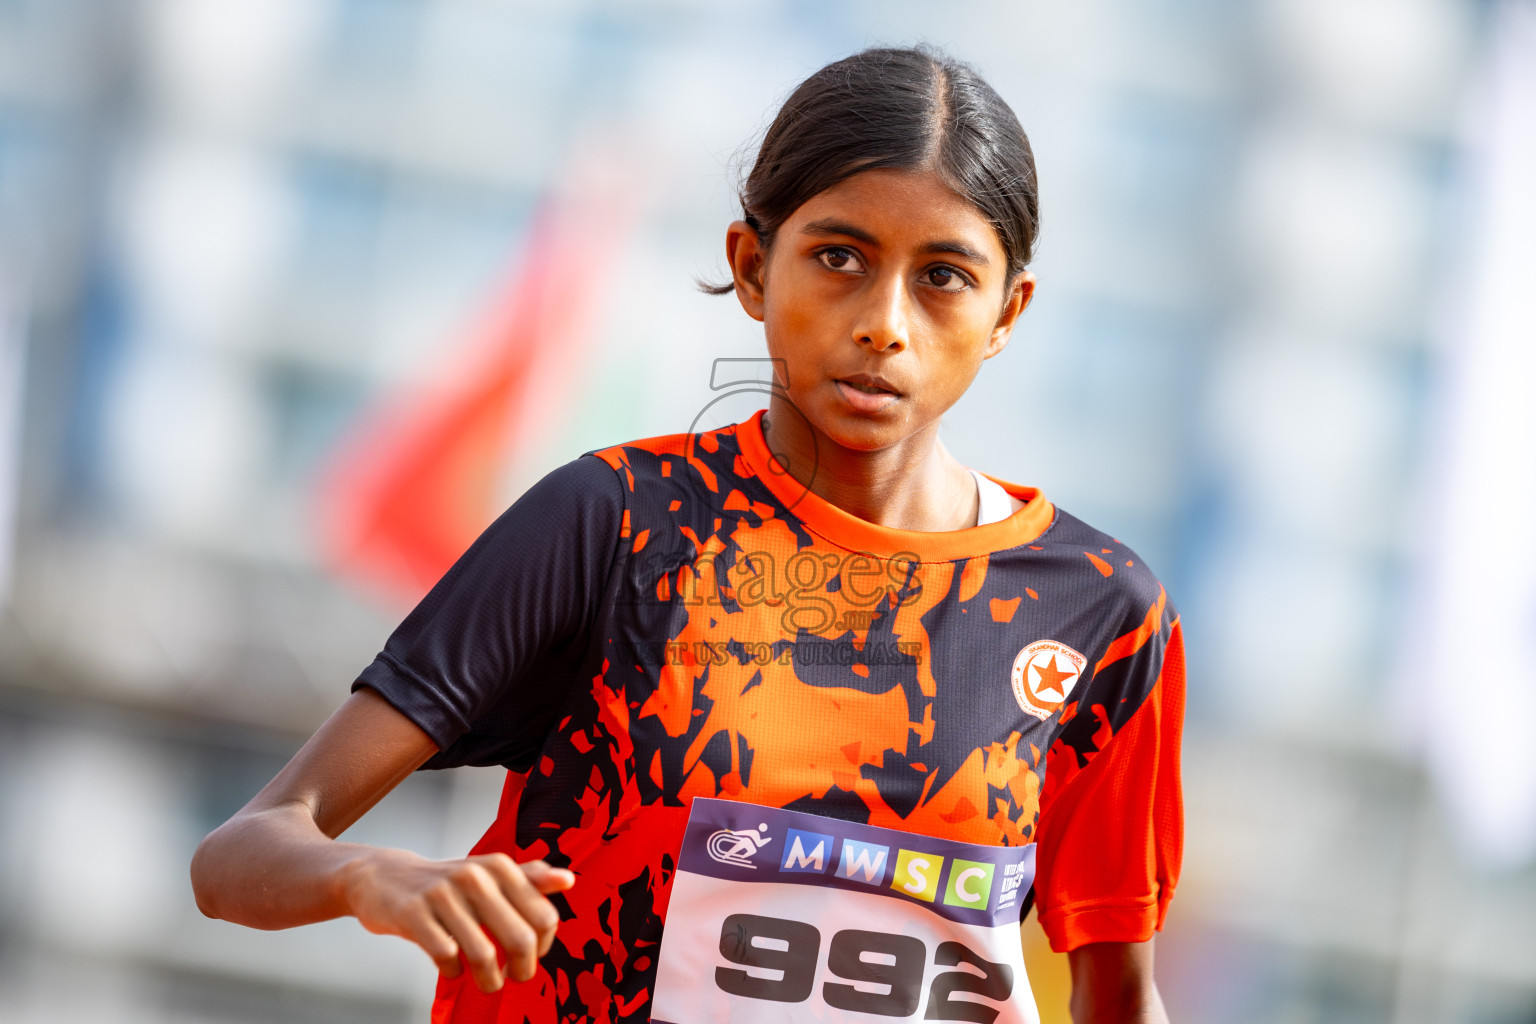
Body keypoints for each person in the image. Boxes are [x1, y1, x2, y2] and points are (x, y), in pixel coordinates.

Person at [191, 45, 1184, 1024]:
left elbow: (1119, 997)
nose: (885, 322)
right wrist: (372, 876)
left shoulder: (1099, 613)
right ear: (753, 267)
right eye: (839, 257)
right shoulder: (616, 522)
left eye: (943, 277)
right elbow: (240, 855)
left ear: (1008, 312)